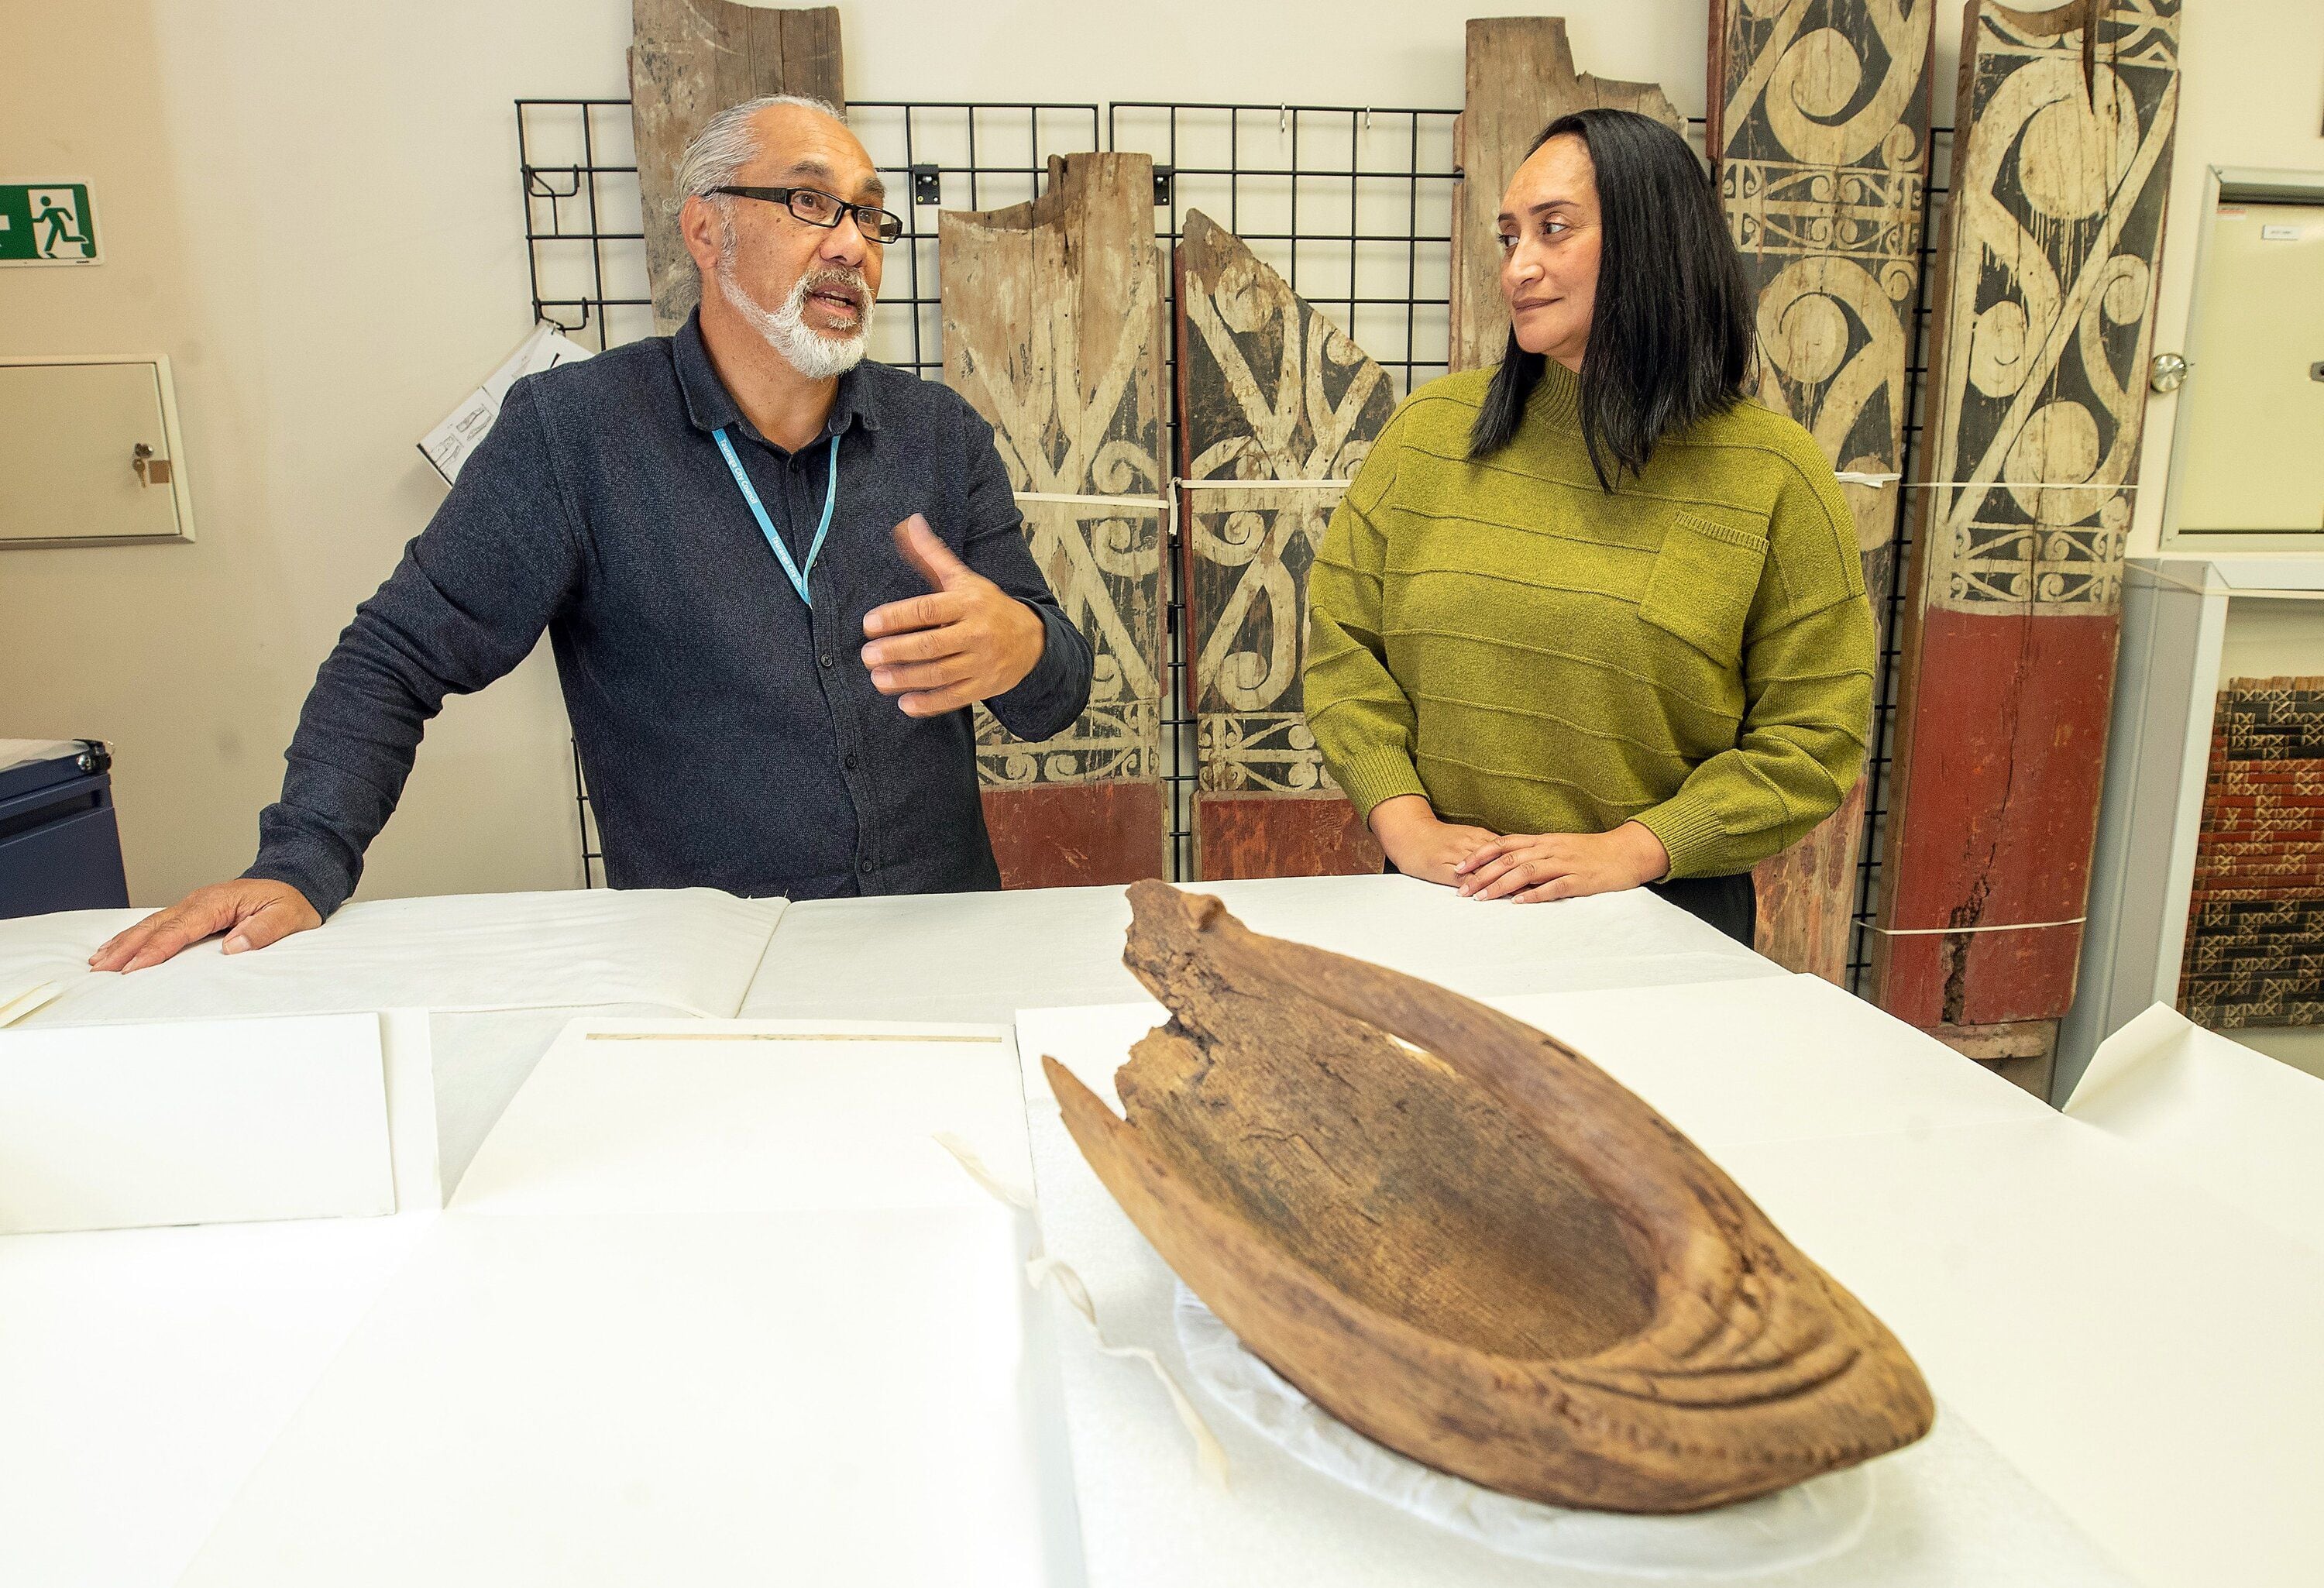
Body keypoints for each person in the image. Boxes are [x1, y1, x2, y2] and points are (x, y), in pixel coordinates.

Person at [91, 95, 1093, 972]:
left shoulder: (938, 435)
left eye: (870, 215)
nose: (852, 242)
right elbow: (392, 658)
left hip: (942, 944)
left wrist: (1027, 644)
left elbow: (1055, 698)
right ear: (706, 231)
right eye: (809, 201)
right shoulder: (574, 436)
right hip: (708, 971)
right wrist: (302, 862)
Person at [1302, 108, 1875, 946]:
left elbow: (1815, 737)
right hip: (1443, 906)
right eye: (1509, 238)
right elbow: (1344, 648)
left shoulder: (1773, 474)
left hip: (1662, 924)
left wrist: (1633, 850)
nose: (1518, 268)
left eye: (1554, 229)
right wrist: (1403, 820)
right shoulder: (1430, 437)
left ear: (1652, 239)